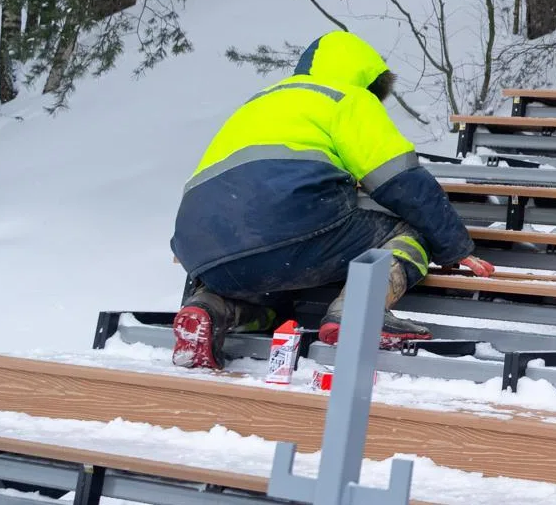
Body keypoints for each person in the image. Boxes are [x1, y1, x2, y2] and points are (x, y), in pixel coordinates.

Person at [169, 31, 493, 370]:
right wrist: (455, 246)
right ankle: (357, 311)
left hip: (202, 246)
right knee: (413, 230)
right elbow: (401, 181)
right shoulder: (346, 99)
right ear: (368, 80)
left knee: (273, 307)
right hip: (285, 227)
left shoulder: (258, 102)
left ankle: (208, 309)